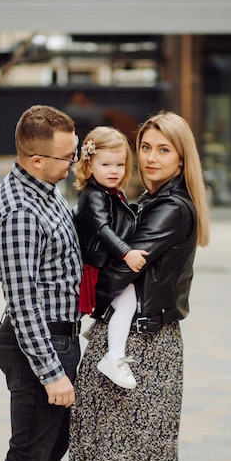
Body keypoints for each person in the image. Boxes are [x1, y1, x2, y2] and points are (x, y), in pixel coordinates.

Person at [67, 111, 210, 461]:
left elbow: (123, 271)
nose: (150, 158)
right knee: (151, 447)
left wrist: (82, 289)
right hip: (157, 338)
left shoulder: (169, 207)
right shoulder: (157, 200)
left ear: (181, 155)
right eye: (145, 148)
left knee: (102, 437)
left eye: (162, 150)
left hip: (137, 342)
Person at [0, 105, 97, 461]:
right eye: (66, 156)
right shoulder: (17, 212)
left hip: (62, 336)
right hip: (38, 344)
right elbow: (22, 302)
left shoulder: (46, 190)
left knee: (51, 452)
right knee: (28, 457)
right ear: (34, 159)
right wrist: (51, 370)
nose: (73, 163)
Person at [73, 126, 148, 389]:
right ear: (89, 164)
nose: (113, 170)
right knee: (127, 302)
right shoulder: (93, 196)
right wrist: (126, 253)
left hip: (104, 262)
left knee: (124, 301)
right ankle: (113, 357)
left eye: (119, 164)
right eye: (105, 164)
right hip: (96, 266)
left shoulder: (111, 193)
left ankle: (97, 326)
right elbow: (103, 230)